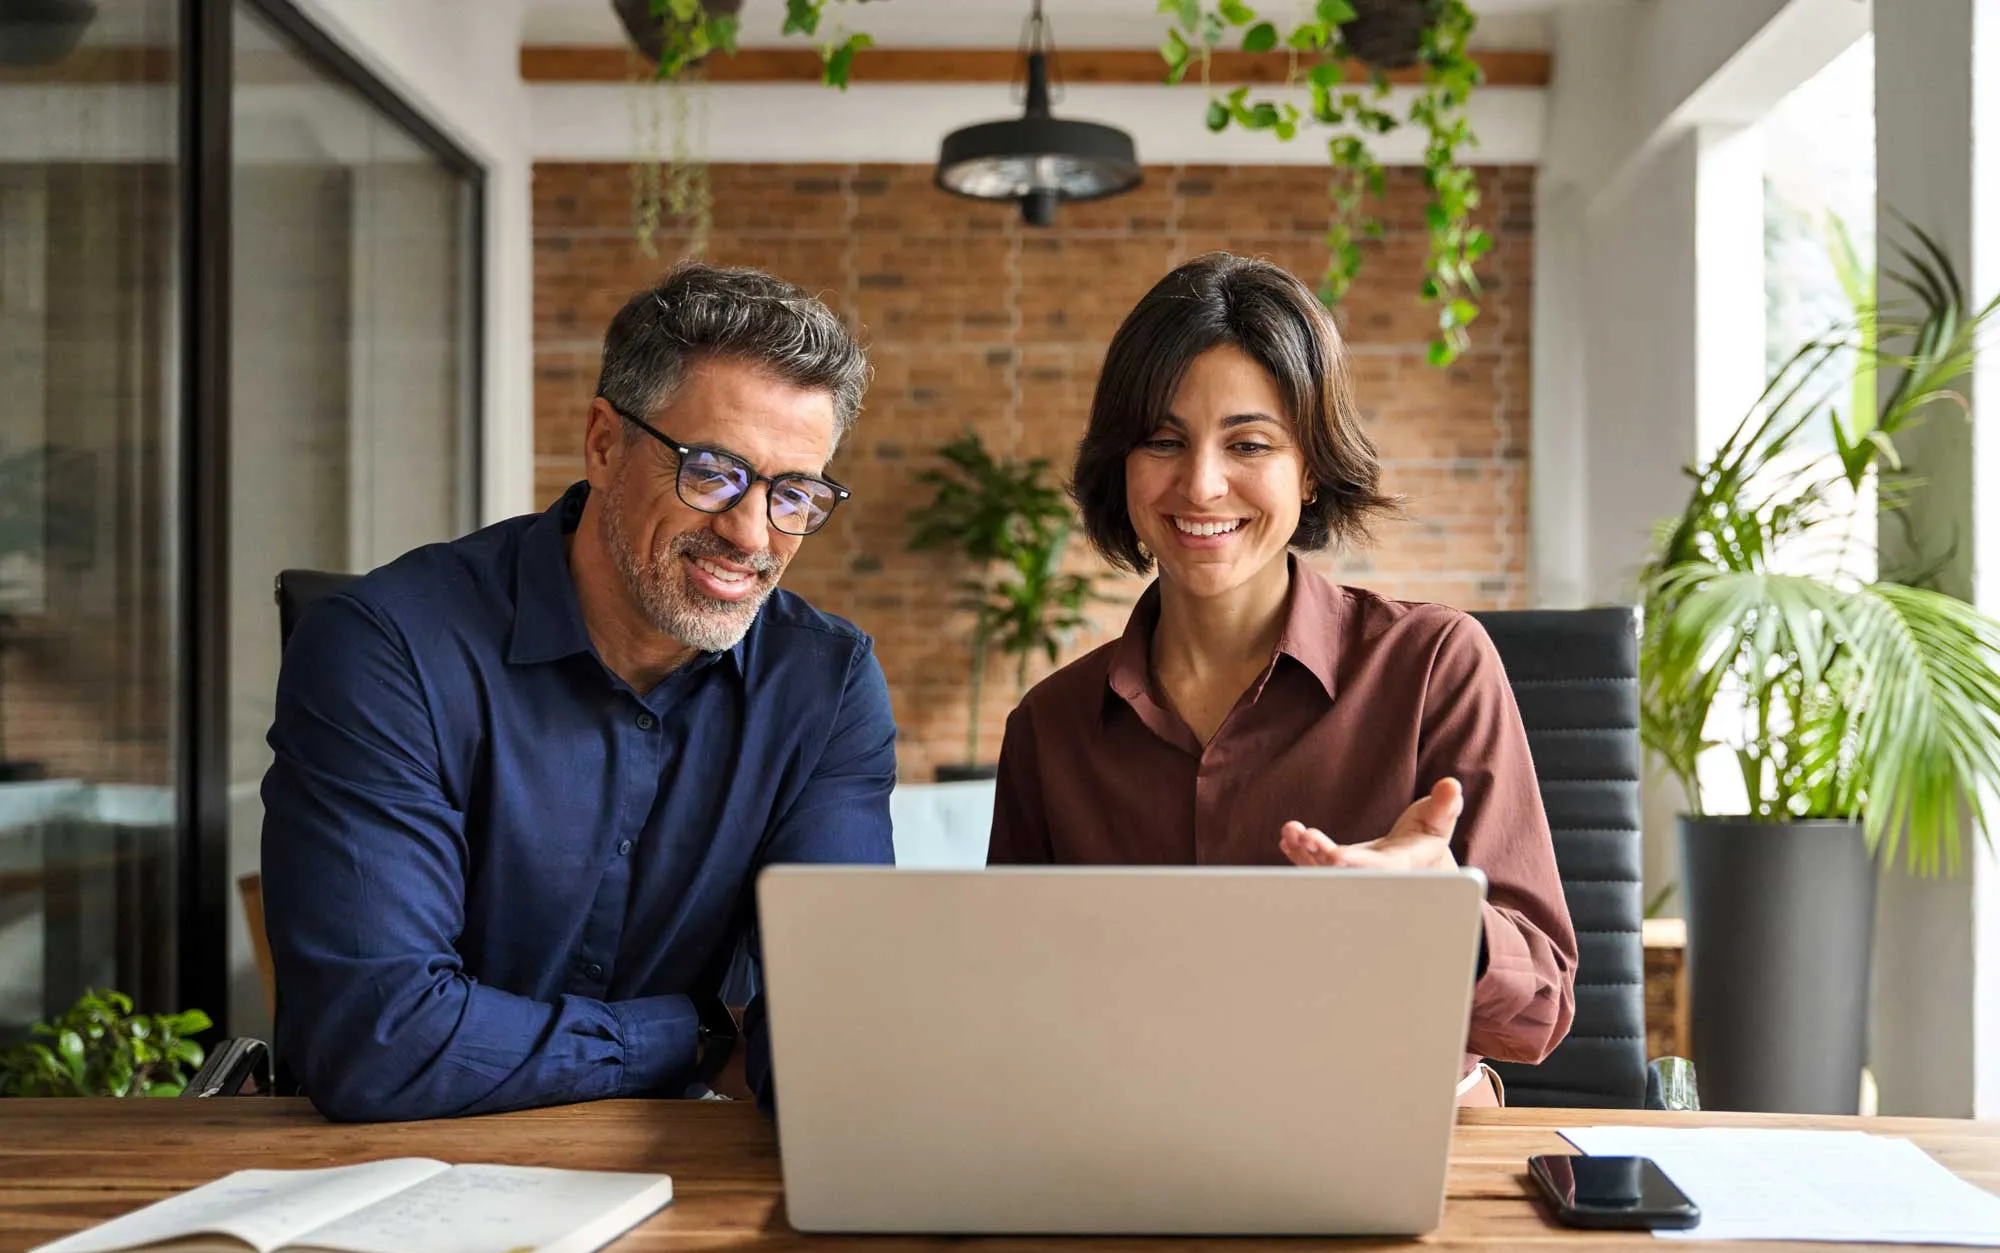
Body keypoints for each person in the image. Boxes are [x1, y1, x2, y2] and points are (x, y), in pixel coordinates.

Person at [261, 263, 895, 1122]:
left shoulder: (824, 684)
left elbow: (838, 1030)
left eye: (795, 494)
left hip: (669, 1181)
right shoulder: (387, 649)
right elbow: (378, 1040)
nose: (752, 533)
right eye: (713, 472)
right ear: (604, 443)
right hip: (376, 1177)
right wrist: (693, 1037)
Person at [987, 252, 1575, 1104]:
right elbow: (1010, 1009)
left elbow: (1539, 1011)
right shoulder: (1051, 726)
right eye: (1163, 440)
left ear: (1312, 466)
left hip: (1389, 1135)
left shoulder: (1436, 665)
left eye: (1249, 443)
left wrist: (1441, 919)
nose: (1200, 483)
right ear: (1122, 463)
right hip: (1129, 1144)